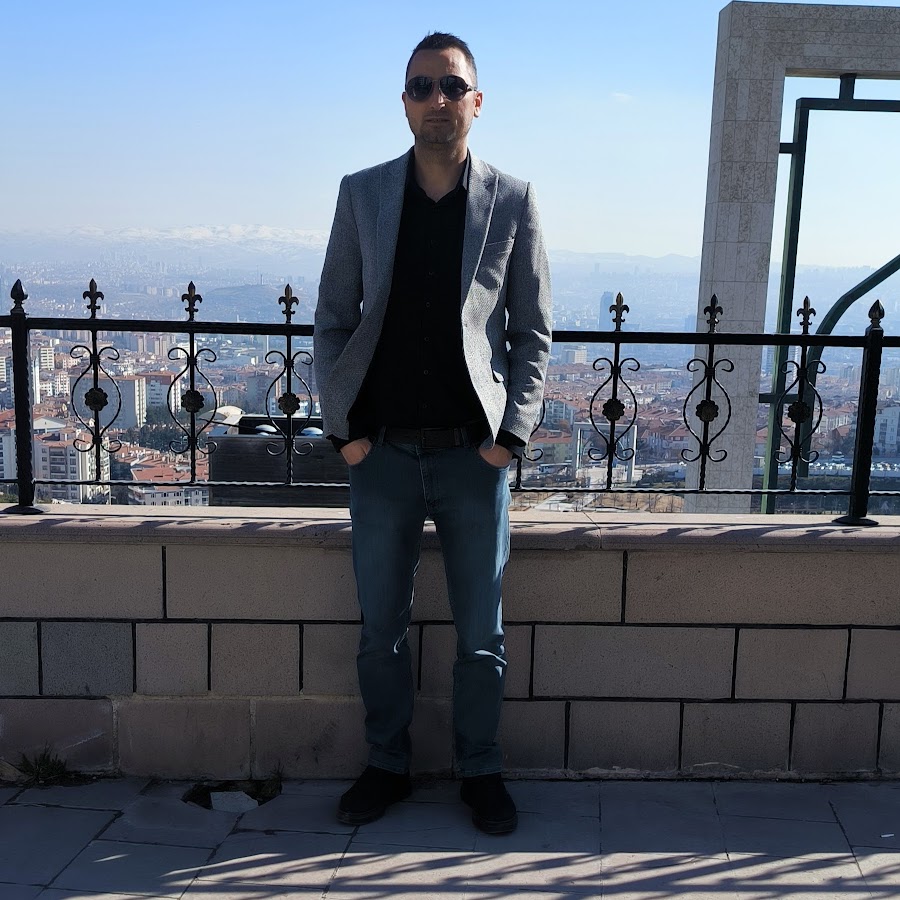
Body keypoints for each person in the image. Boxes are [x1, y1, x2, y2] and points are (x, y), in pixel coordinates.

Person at [314, 31, 552, 835]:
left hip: (471, 455)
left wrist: (509, 440)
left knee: (481, 636)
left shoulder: (512, 200)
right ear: (404, 102)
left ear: (477, 102)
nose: (437, 100)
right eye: (422, 86)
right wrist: (345, 434)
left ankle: (480, 771)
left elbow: (532, 333)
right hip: (379, 453)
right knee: (380, 632)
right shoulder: (363, 194)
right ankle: (386, 764)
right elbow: (331, 318)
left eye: (452, 86)